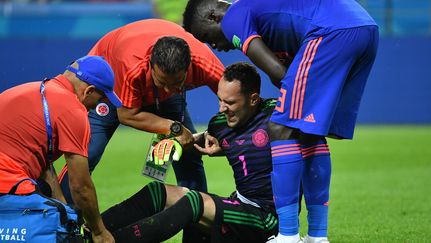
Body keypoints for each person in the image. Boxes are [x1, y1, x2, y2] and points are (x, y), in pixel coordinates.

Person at [183, 1, 379, 242]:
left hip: (331, 30)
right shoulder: (269, 18)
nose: (212, 46)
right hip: (363, 27)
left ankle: (288, 235)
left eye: (206, 37)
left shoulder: (234, 15)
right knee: (307, 131)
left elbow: (277, 72)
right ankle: (317, 236)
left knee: (280, 127)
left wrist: (291, 93)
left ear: (213, 16)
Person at [98, 62, 279, 243]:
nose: (221, 108)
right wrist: (172, 144)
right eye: (219, 100)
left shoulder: (278, 115)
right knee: (158, 191)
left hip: (266, 216)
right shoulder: (220, 124)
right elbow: (203, 140)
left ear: (254, 99)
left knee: (194, 202)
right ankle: (89, 231)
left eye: (229, 103)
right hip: (240, 205)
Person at [58, 19, 225, 204]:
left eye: (178, 83)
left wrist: (223, 133)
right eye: (162, 82)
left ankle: (198, 225)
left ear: (189, 67)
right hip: (110, 90)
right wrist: (174, 127)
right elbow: (127, 114)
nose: (168, 90)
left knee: (188, 153)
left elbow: (235, 99)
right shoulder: (131, 66)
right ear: (151, 65)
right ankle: (61, 219)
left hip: (151, 89)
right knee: (87, 155)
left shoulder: (204, 63)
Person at [0, 56, 121, 243]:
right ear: (88, 91)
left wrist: (64, 209)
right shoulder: (73, 110)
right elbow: (81, 186)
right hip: (6, 185)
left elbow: (43, 166)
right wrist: (99, 232)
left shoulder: (32, 90)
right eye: (99, 101)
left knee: (59, 217)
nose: (95, 107)